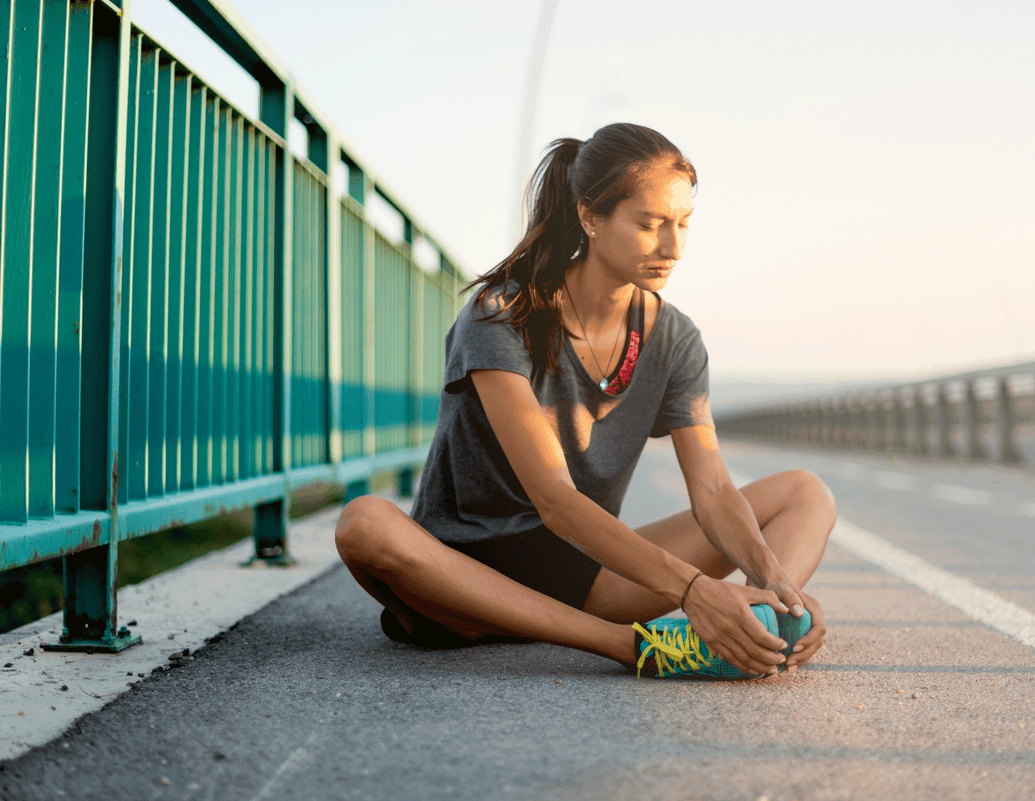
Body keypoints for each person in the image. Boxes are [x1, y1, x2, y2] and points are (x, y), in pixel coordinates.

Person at [334, 122, 836, 679]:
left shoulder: (674, 338)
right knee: (364, 523)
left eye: (683, 224)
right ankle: (631, 646)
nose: (671, 246)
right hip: (458, 575)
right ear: (590, 218)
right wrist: (693, 590)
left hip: (581, 575)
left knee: (804, 492)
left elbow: (714, 490)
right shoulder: (502, 314)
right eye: (649, 224)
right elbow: (554, 500)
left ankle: (760, 631)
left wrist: (773, 579)